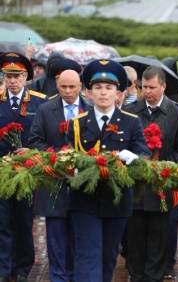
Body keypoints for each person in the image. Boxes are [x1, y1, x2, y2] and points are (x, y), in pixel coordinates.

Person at [65, 59, 150, 282]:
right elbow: (66, 158)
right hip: (84, 199)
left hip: (117, 199)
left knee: (108, 256)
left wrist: (132, 158)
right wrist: (71, 172)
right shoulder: (77, 123)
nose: (103, 92)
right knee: (87, 254)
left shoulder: (131, 123)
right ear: (89, 93)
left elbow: (144, 157)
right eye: (97, 88)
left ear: (118, 93)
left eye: (109, 88)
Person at [124, 66, 178, 282]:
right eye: (144, 87)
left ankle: (154, 277)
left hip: (163, 184)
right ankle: (136, 275)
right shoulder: (131, 111)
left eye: (153, 87)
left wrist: (168, 165)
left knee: (158, 235)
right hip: (136, 184)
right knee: (134, 236)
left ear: (163, 86)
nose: (148, 92)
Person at [29, 69, 92, 282]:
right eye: (63, 87)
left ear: (80, 87)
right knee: (55, 236)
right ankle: (58, 277)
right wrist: (59, 157)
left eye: (72, 87)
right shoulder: (45, 110)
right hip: (54, 181)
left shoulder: (90, 109)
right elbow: (35, 141)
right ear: (57, 86)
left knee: (78, 234)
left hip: (82, 184)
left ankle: (74, 275)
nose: (67, 91)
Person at [0, 52, 49, 282]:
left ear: (25, 77)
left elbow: (43, 135)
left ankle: (22, 269)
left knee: (23, 221)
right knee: (2, 221)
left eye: (17, 76)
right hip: (1, 172)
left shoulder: (39, 101)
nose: (12, 81)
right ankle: (3, 267)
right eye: (8, 76)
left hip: (27, 172)